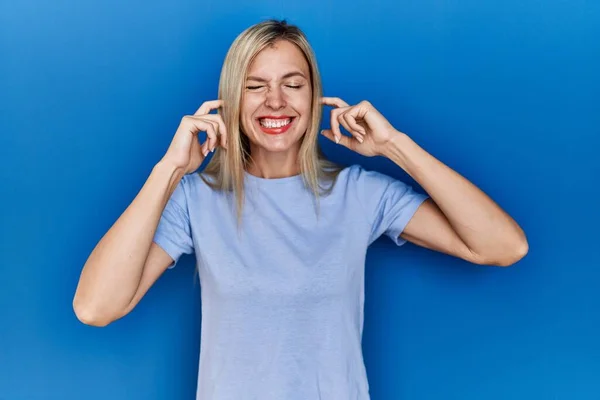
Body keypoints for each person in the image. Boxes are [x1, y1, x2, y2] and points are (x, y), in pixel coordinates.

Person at [73, 19, 528, 400]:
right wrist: (168, 171)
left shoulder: (361, 195)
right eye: (256, 86)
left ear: (314, 98)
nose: (276, 101)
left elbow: (503, 246)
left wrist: (395, 147)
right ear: (230, 102)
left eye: (293, 84)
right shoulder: (196, 199)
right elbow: (95, 307)